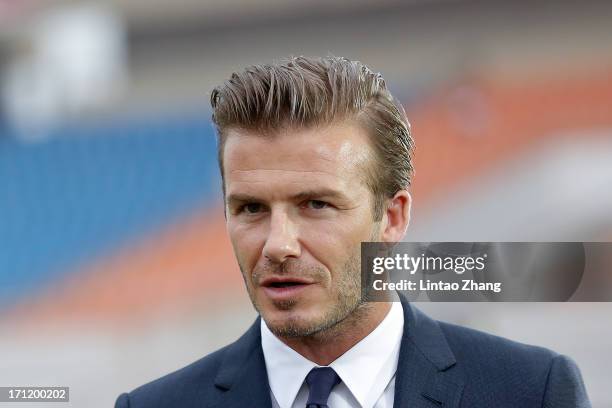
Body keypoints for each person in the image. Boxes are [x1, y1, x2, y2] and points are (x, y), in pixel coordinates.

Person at [115, 56, 590, 408]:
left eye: (315, 205)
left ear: (394, 217)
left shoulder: (531, 391)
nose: (278, 244)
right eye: (251, 208)